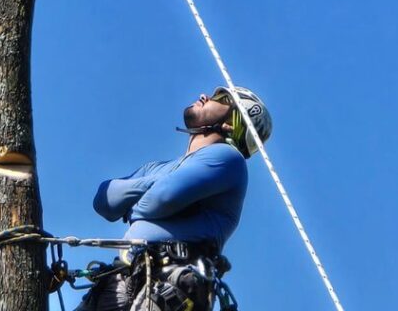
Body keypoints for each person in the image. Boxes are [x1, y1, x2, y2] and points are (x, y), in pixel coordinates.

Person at [79, 86, 272, 311]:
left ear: (231, 124)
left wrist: (134, 204)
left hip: (172, 286)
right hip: (123, 276)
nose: (205, 96)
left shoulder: (228, 159)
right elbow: (104, 201)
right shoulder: (159, 167)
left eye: (223, 98)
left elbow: (160, 200)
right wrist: (157, 184)